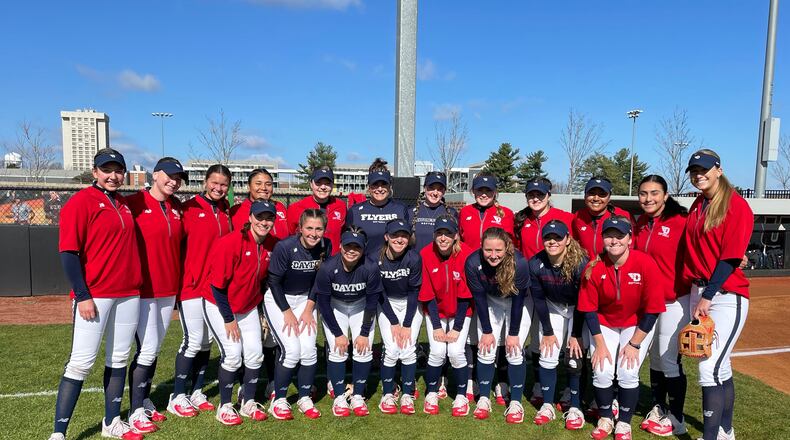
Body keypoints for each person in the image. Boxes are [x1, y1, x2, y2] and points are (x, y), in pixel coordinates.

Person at [49, 148, 144, 440]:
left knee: (118, 359)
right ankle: (59, 433)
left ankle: (111, 422)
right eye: (107, 170)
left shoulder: (125, 204)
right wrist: (82, 294)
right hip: (96, 294)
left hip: (128, 293)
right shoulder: (81, 202)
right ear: (95, 172)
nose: (113, 176)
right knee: (81, 361)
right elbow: (68, 253)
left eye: (118, 171)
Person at [682, 150, 752, 440]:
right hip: (699, 290)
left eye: (704, 169)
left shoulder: (736, 206)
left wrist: (707, 296)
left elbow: (729, 258)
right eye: (694, 171)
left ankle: (709, 437)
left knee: (708, 366)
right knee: (721, 367)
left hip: (725, 295)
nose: (699, 175)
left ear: (718, 170)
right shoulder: (698, 204)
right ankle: (725, 431)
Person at [577, 217, 665, 440]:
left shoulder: (645, 263)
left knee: (627, 371)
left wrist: (635, 344)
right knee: (602, 368)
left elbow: (653, 309)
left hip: (636, 324)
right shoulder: (594, 267)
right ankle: (605, 418)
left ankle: (624, 423)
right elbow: (589, 309)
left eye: (619, 235)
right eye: (609, 235)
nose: (614, 240)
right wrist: (599, 345)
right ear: (602, 238)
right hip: (604, 323)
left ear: (630, 238)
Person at [125, 158, 187, 433]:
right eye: (169, 176)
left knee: (154, 348)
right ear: (156, 175)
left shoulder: (176, 208)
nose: (174, 181)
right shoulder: (133, 202)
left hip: (168, 289)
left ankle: (145, 399)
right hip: (143, 290)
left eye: (178, 178)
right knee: (147, 348)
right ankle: (135, 410)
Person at [169, 164, 233, 418]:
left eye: (224, 184)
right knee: (193, 340)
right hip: (192, 286)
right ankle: (177, 395)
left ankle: (196, 390)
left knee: (207, 342)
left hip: (216, 288)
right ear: (205, 182)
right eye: (214, 182)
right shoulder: (189, 209)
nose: (218, 188)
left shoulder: (226, 210)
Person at [204, 200, 275, 426]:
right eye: (260, 217)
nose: (264, 222)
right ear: (250, 218)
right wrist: (228, 319)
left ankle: (248, 402)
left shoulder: (272, 244)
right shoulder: (231, 242)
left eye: (269, 218)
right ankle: (224, 406)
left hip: (247, 306)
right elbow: (217, 286)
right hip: (219, 304)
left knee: (255, 354)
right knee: (234, 354)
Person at [632, 175, 691, 436]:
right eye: (643, 193)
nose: (648, 198)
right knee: (654, 358)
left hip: (674, 299)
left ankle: (677, 419)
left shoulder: (681, 222)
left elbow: (704, 247)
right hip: (647, 302)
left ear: (666, 195)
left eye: (654, 193)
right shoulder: (640, 223)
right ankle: (658, 407)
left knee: (669, 360)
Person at [265, 209, 331, 420]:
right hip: (279, 299)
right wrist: (287, 312)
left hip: (306, 300)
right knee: (292, 350)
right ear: (300, 228)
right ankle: (279, 400)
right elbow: (274, 282)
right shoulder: (284, 247)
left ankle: (304, 397)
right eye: (309, 228)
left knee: (309, 350)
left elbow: (319, 281)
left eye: (318, 228)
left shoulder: (325, 245)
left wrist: (308, 308)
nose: (314, 233)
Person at [514, 177, 574, 406]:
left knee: (567, 342)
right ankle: (539, 383)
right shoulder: (521, 220)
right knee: (536, 340)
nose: (535, 198)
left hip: (557, 290)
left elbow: (576, 251)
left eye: (540, 194)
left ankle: (570, 388)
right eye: (531, 194)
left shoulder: (566, 218)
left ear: (549, 195)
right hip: (528, 289)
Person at [315, 227, 383, 417]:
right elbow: (324, 305)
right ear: (340, 246)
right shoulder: (328, 267)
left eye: (357, 247)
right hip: (335, 307)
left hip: (361, 306)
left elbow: (371, 303)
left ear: (363, 249)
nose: (351, 250)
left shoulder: (369, 267)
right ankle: (339, 397)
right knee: (338, 349)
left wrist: (363, 332)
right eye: (347, 246)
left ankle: (358, 396)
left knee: (364, 348)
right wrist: (338, 334)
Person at [529, 220, 589, 430]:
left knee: (575, 357)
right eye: (548, 237)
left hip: (578, 309)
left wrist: (575, 333)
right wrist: (547, 330)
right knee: (547, 354)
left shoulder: (581, 262)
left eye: (558, 237)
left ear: (567, 239)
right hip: (552, 307)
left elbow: (584, 300)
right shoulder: (536, 262)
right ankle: (547, 404)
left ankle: (575, 406)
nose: (552, 241)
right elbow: (538, 298)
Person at [467, 227, 531, 424]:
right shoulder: (472, 262)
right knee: (485, 348)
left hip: (517, 302)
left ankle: (516, 402)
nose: (493, 255)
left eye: (498, 250)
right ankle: (484, 398)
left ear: (507, 248)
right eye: (488, 250)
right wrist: (486, 331)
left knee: (514, 350)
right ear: (481, 247)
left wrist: (513, 333)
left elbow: (519, 299)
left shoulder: (519, 263)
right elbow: (479, 298)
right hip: (490, 301)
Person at [418, 215, 475, 417]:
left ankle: (460, 395)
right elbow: (428, 294)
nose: (443, 238)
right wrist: (436, 326)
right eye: (439, 233)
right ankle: (431, 392)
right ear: (434, 235)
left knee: (456, 351)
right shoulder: (425, 254)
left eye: (448, 233)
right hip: (436, 311)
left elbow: (466, 296)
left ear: (456, 236)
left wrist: (457, 327)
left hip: (461, 310)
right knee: (437, 351)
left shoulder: (467, 254)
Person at [376, 219, 423, 415]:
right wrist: (394, 322)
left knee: (408, 347)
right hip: (387, 305)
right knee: (392, 347)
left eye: (404, 235)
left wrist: (406, 324)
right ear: (387, 237)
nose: (399, 239)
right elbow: (380, 293)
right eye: (395, 235)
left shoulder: (414, 258)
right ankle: (388, 393)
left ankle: (406, 394)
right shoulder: (375, 259)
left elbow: (414, 293)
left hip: (410, 304)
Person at [346, 158, 411, 257]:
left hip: (393, 268)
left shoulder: (401, 209)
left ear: (389, 187)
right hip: (365, 267)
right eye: (375, 184)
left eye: (384, 184)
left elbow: (409, 239)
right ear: (369, 187)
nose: (380, 189)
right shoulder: (355, 211)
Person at [286, 167, 347, 254]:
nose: (323, 187)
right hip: (305, 261)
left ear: (332, 185)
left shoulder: (341, 206)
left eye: (327, 183)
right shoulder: (295, 208)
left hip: (332, 261)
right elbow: (290, 236)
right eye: (318, 183)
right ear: (311, 184)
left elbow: (343, 234)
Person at [572, 177, 633, 258]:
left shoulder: (622, 216)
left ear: (609, 197)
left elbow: (631, 247)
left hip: (610, 267)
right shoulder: (578, 216)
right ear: (585, 195)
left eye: (602, 194)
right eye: (591, 193)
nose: (596, 198)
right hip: (586, 268)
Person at [230, 167, 289, 244]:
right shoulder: (236, 211)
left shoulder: (280, 207)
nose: (264, 188)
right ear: (249, 186)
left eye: (268, 184)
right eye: (258, 183)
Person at [458, 172, 515, 248]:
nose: (484, 195)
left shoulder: (506, 213)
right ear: (473, 191)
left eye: (488, 190)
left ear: (495, 192)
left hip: (495, 259)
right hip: (470, 259)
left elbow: (510, 245)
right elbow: (459, 242)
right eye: (480, 190)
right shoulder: (465, 212)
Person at [411, 171, 458, 251]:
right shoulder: (410, 212)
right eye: (431, 188)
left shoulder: (451, 213)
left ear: (444, 191)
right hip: (416, 262)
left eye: (439, 189)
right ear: (424, 188)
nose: (435, 193)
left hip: (440, 262)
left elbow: (457, 242)